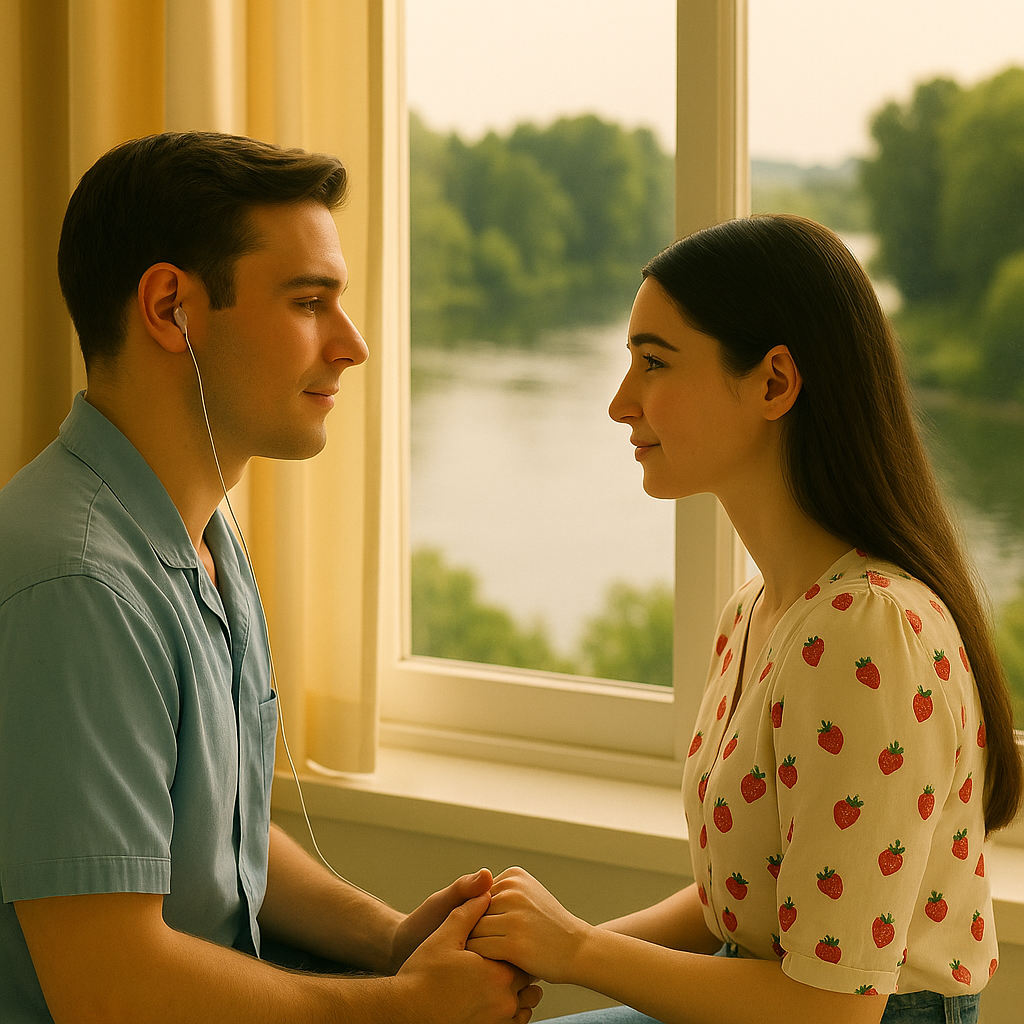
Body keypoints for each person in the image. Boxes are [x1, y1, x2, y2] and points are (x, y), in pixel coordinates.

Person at [0, 132, 541, 1024]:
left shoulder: (201, 533)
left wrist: (392, 942)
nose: (354, 344)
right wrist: (401, 1009)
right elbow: (107, 985)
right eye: (309, 301)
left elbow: (215, 842)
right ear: (172, 308)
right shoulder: (79, 586)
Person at [465, 214, 1024, 1024]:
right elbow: (741, 900)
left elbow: (833, 1011)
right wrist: (535, 954)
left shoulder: (868, 632)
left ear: (773, 383)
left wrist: (578, 951)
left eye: (653, 363)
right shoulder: (761, 612)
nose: (621, 403)